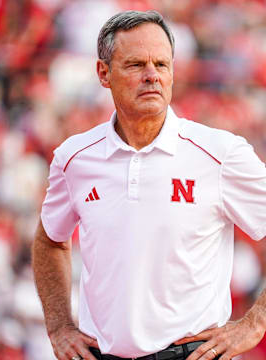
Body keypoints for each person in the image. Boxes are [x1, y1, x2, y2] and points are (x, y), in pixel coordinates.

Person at [32, 10, 266, 360]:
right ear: (103, 73)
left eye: (162, 64)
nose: (152, 75)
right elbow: (50, 240)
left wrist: (255, 322)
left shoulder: (220, 153)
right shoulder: (74, 158)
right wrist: (59, 326)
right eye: (136, 64)